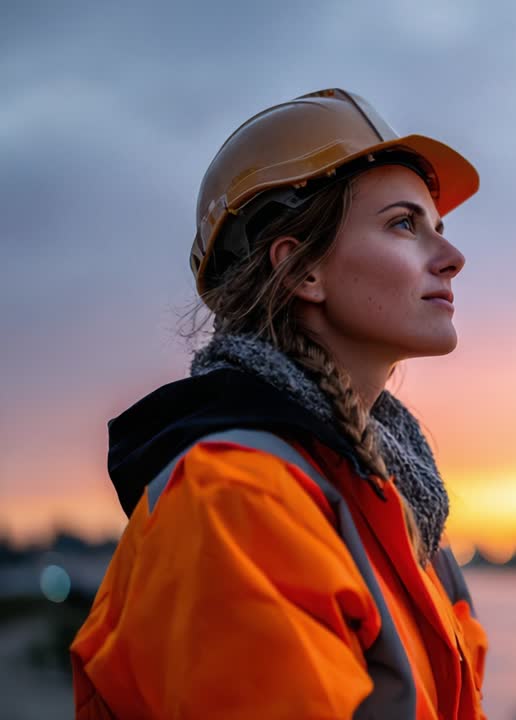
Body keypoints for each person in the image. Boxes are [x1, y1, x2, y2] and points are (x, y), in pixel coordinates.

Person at [69, 88, 488, 719]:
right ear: (300, 271)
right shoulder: (234, 500)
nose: (453, 259)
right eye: (404, 224)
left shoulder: (405, 504)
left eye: (439, 228)